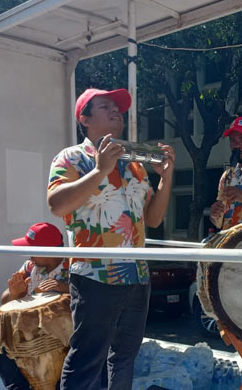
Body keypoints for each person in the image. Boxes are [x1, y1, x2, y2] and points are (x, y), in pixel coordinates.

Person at [47, 87, 174, 390]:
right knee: (86, 361)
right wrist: (100, 171)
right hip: (95, 276)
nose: (116, 111)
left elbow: (153, 219)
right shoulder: (71, 157)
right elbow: (57, 205)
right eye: (105, 106)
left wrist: (166, 177)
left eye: (118, 107)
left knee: (124, 358)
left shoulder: (136, 166)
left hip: (138, 276)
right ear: (84, 118)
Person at [0, 222, 70, 390]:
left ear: (49, 250)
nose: (29, 256)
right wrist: (14, 293)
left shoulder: (71, 266)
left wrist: (64, 288)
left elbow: (85, 296)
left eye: (33, 250)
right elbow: (5, 302)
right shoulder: (30, 267)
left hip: (61, 334)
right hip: (31, 330)